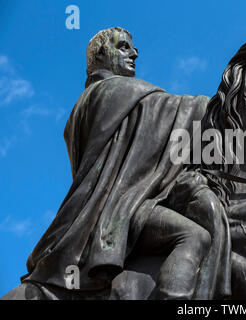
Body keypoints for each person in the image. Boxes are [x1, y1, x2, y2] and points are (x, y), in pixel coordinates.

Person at [5, 27, 230, 300]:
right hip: (120, 209)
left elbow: (141, 144)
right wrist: (219, 106)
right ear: (100, 56)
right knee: (195, 236)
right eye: (123, 47)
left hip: (122, 204)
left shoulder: (96, 103)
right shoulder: (110, 92)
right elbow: (171, 110)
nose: (134, 53)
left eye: (133, 48)